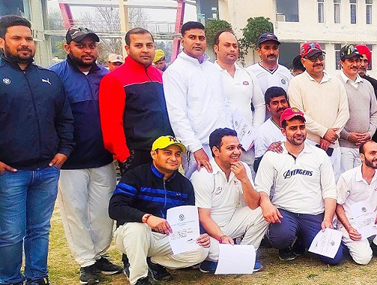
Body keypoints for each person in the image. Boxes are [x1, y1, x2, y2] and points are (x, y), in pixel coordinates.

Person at [0, 15, 75, 285]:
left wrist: (65, 149)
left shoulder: (49, 78)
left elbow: (64, 119)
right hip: (10, 173)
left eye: (28, 38)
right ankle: (9, 280)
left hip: (46, 171)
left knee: (40, 230)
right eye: (17, 38)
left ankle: (37, 277)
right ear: (2, 42)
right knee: (10, 233)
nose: (25, 44)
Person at [49, 26, 121, 284]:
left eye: (92, 45)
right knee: (75, 213)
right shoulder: (54, 76)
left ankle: (100, 254)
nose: (87, 50)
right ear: (68, 47)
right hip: (70, 161)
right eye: (81, 45)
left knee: (103, 212)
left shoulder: (107, 76)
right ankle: (86, 262)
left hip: (103, 158)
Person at [109, 136, 210, 285]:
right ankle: (139, 279)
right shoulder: (136, 175)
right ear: (154, 154)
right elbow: (115, 208)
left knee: (201, 250)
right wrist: (146, 218)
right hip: (131, 235)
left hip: (164, 238)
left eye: (177, 154)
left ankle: (151, 260)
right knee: (138, 228)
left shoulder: (184, 185)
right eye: (167, 153)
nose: (173, 158)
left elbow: (188, 218)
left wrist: (200, 234)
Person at [255, 108, 345, 265]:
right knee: (280, 238)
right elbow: (261, 188)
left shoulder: (319, 155)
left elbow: (330, 190)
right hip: (285, 212)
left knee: (334, 258)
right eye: (293, 128)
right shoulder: (272, 156)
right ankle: (288, 243)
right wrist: (266, 203)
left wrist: (328, 219)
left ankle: (303, 240)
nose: (299, 132)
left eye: (301, 127)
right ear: (283, 131)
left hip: (313, 213)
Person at [192, 128, 267, 273]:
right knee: (206, 251)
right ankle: (216, 260)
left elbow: (252, 205)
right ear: (216, 151)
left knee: (262, 212)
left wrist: (244, 179)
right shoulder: (203, 175)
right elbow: (203, 217)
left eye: (238, 147)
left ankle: (242, 256)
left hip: (231, 223)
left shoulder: (242, 167)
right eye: (230, 148)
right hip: (209, 231)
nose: (237, 152)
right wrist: (221, 237)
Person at [100, 28, 174, 174]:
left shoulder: (162, 76)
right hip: (136, 155)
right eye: (139, 45)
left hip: (166, 152)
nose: (145, 50)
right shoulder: (114, 79)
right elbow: (111, 123)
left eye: (149, 45)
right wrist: (124, 157)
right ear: (127, 49)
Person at [164, 21, 232, 179]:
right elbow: (177, 115)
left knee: (225, 191)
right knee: (200, 192)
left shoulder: (213, 70)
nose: (197, 41)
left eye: (201, 38)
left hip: (223, 145)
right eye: (192, 37)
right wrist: (195, 148)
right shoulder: (175, 72)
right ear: (183, 41)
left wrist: (231, 140)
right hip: (198, 146)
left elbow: (225, 106)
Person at [287, 41, 349, 178]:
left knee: (333, 185)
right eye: (313, 59)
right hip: (308, 144)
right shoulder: (296, 83)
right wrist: (324, 132)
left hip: (333, 144)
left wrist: (331, 134)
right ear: (303, 61)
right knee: (310, 185)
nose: (318, 62)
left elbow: (344, 112)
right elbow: (298, 115)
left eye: (320, 58)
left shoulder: (335, 82)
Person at [335, 141, 377, 264]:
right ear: (361, 156)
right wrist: (349, 228)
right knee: (364, 259)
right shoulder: (347, 177)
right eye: (372, 153)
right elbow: (338, 205)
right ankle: (346, 244)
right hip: (351, 223)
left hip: (371, 219)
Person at [213, 30, 266, 168]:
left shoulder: (247, 74)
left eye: (235, 46)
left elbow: (260, 105)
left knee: (247, 181)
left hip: (247, 145)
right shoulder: (209, 75)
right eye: (227, 45)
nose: (232, 49)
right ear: (216, 48)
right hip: (221, 146)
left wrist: (253, 133)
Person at [337, 44, 377, 172]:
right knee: (347, 184)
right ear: (342, 63)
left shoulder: (367, 85)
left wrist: (369, 133)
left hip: (365, 147)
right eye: (350, 60)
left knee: (364, 185)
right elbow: (332, 115)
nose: (355, 64)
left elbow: (375, 112)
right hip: (344, 147)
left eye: (357, 60)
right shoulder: (335, 83)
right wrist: (347, 135)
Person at [254, 87, 290, 167]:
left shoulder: (297, 124)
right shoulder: (262, 131)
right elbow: (257, 166)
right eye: (275, 103)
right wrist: (268, 152)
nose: (280, 106)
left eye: (283, 101)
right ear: (268, 107)